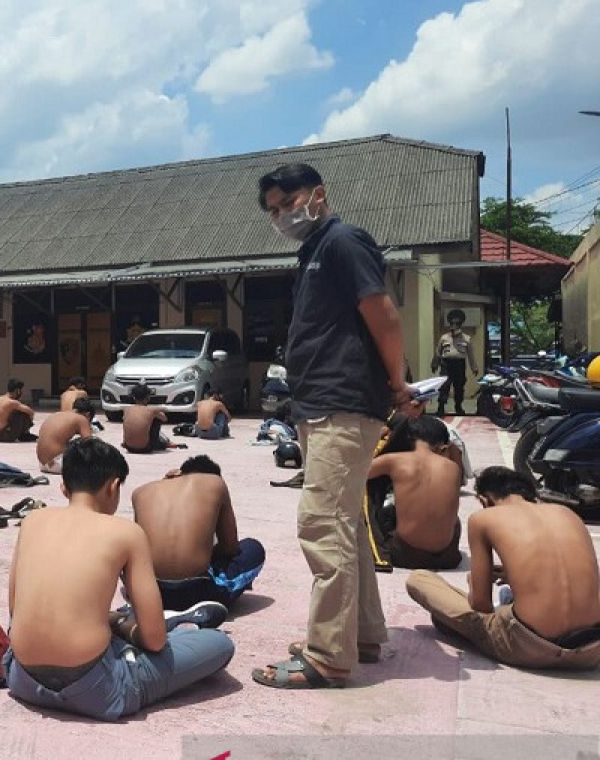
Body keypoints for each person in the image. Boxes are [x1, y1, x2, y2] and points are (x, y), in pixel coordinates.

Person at [251, 163, 411, 690]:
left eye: (286, 202)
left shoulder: (343, 242)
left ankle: (325, 656)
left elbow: (381, 312)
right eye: (272, 209)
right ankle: (359, 635)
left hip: (341, 405)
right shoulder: (314, 251)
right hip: (323, 404)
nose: (281, 215)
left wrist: (398, 381)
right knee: (344, 522)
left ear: (317, 194)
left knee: (321, 524)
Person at [4, 438, 235, 722]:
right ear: (113, 486)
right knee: (218, 644)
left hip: (23, 680)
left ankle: (123, 623)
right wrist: (128, 630)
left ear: (64, 486)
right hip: (97, 690)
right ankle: (137, 623)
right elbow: (154, 640)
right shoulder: (125, 532)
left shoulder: (32, 521)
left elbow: (15, 611)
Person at [407, 467, 600, 670]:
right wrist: (513, 576)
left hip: (528, 647)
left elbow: (481, 606)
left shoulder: (482, 519)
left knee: (419, 580)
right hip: (591, 649)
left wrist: (475, 580)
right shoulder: (567, 513)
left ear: (484, 500)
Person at [132, 455, 265, 611]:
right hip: (196, 592)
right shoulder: (215, 483)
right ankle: (199, 607)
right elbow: (230, 547)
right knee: (253, 548)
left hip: (148, 593)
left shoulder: (141, 492)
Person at [367, 416, 463, 570]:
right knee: (455, 520)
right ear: (440, 444)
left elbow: (359, 472)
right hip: (447, 557)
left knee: (379, 504)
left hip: (405, 555)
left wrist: (381, 436)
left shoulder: (395, 460)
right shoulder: (453, 468)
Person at [432, 309, 478, 417]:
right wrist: (435, 364)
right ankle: (441, 407)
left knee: (459, 387)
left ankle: (458, 406)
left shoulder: (466, 338)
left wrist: (474, 367)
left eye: (457, 323)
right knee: (444, 386)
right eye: (452, 323)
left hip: (459, 365)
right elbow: (438, 352)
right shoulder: (444, 338)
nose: (454, 325)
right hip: (446, 365)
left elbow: (471, 355)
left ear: (461, 324)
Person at [36, 397, 93, 474]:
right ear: (88, 415)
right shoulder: (81, 418)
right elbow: (91, 445)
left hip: (43, 465)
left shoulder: (56, 415)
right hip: (58, 464)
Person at [121, 384, 178, 453]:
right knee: (157, 419)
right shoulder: (152, 410)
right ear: (148, 398)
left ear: (134, 398)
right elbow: (164, 418)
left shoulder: (127, 409)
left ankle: (126, 441)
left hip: (129, 447)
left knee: (130, 421)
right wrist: (157, 410)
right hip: (145, 448)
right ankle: (164, 442)